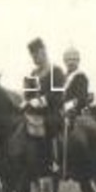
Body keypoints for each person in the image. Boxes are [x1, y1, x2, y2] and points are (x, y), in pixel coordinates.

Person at [22, 37, 64, 175]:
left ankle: (53, 162)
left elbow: (58, 95)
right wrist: (26, 102)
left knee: (49, 124)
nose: (34, 57)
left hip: (52, 111)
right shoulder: (32, 75)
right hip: (33, 113)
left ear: (44, 52)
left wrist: (40, 101)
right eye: (32, 55)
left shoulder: (56, 71)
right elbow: (27, 95)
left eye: (36, 53)